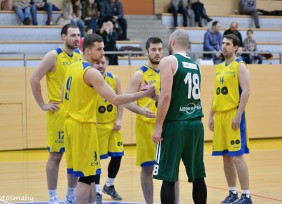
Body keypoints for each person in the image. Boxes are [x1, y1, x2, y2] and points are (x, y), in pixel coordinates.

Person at [63, 33, 155, 204]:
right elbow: (116, 99)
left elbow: (63, 95)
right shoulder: (90, 72)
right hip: (82, 125)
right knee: (85, 177)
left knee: (89, 175)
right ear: (88, 51)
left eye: (103, 48)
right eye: (99, 49)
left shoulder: (72, 67)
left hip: (70, 123)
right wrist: (144, 94)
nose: (103, 53)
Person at [152, 29, 207, 204]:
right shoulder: (195, 64)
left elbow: (167, 96)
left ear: (173, 42)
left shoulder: (168, 61)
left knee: (168, 175)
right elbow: (180, 95)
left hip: (176, 125)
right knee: (198, 175)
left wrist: (158, 126)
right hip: (195, 124)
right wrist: (155, 96)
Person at [30, 24, 83, 204]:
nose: (77, 38)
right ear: (63, 37)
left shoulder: (79, 56)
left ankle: (71, 194)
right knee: (56, 155)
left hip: (76, 112)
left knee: (74, 156)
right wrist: (42, 104)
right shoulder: (54, 55)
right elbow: (34, 78)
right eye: (73, 35)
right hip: (58, 111)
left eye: (78, 35)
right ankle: (53, 195)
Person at [125, 37, 180, 204]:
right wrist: (142, 110)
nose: (157, 53)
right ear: (146, 51)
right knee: (147, 168)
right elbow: (127, 101)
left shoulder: (169, 71)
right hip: (146, 127)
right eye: (153, 50)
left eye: (159, 49)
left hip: (167, 126)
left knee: (172, 169)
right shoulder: (139, 74)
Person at [208, 34, 252, 204]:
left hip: (233, 114)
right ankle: (232, 192)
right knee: (226, 156)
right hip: (220, 116)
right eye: (223, 43)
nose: (223, 46)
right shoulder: (219, 68)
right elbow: (216, 94)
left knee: (237, 156)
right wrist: (211, 115)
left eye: (227, 44)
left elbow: (247, 91)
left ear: (235, 47)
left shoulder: (239, 66)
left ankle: (246, 195)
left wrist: (239, 114)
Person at [92, 56, 123, 204]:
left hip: (112, 125)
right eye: (97, 63)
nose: (100, 65)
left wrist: (119, 119)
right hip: (97, 126)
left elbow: (121, 101)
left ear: (107, 64)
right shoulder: (89, 79)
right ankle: (97, 190)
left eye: (103, 63)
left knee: (118, 156)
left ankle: (109, 185)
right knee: (96, 160)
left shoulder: (114, 79)